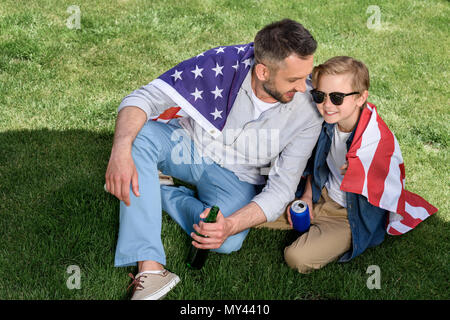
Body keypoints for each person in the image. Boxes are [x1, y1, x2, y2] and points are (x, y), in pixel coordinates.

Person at [105, 19, 323, 299]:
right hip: (190, 146)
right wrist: (120, 150)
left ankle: (153, 188)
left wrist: (229, 225)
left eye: (306, 76)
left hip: (239, 177)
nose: (304, 89)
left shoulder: (309, 111)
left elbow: (281, 189)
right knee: (138, 138)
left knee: (227, 241)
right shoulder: (222, 65)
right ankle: (150, 267)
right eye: (294, 80)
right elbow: (142, 98)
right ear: (263, 71)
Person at [283, 56, 438, 274]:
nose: (327, 105)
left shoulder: (375, 142)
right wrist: (307, 196)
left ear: (360, 98)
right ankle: (312, 224)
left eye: (337, 97)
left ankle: (322, 233)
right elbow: (314, 163)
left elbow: (384, 173)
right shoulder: (326, 123)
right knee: (260, 212)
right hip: (321, 193)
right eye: (320, 95)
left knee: (296, 257)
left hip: (349, 215)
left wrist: (363, 170)